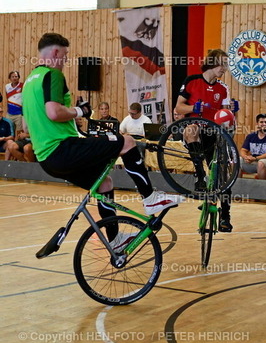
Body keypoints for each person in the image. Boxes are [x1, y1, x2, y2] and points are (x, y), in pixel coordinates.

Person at [22, 32, 183, 249]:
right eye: (66, 55)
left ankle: (115, 239)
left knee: (105, 183)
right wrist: (79, 110)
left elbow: (30, 122)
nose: (66, 60)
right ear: (55, 52)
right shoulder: (53, 75)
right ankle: (150, 197)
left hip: (47, 160)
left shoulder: (28, 83)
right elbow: (53, 113)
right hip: (63, 148)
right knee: (127, 142)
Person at [174, 48, 235, 232]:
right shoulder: (191, 81)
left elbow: (226, 117)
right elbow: (179, 108)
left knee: (224, 174)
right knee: (191, 129)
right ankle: (200, 175)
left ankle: (225, 215)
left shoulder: (223, 88)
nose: (224, 68)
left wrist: (232, 114)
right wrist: (195, 107)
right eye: (222, 64)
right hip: (196, 129)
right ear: (212, 62)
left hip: (214, 132)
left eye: (226, 65)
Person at [240, 113, 266, 179]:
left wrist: (256, 158)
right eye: (261, 122)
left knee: (261, 163)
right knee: (237, 160)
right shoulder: (251, 136)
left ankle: (261, 186)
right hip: (252, 161)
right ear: (257, 124)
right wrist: (246, 157)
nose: (264, 124)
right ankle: (237, 185)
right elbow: (243, 150)